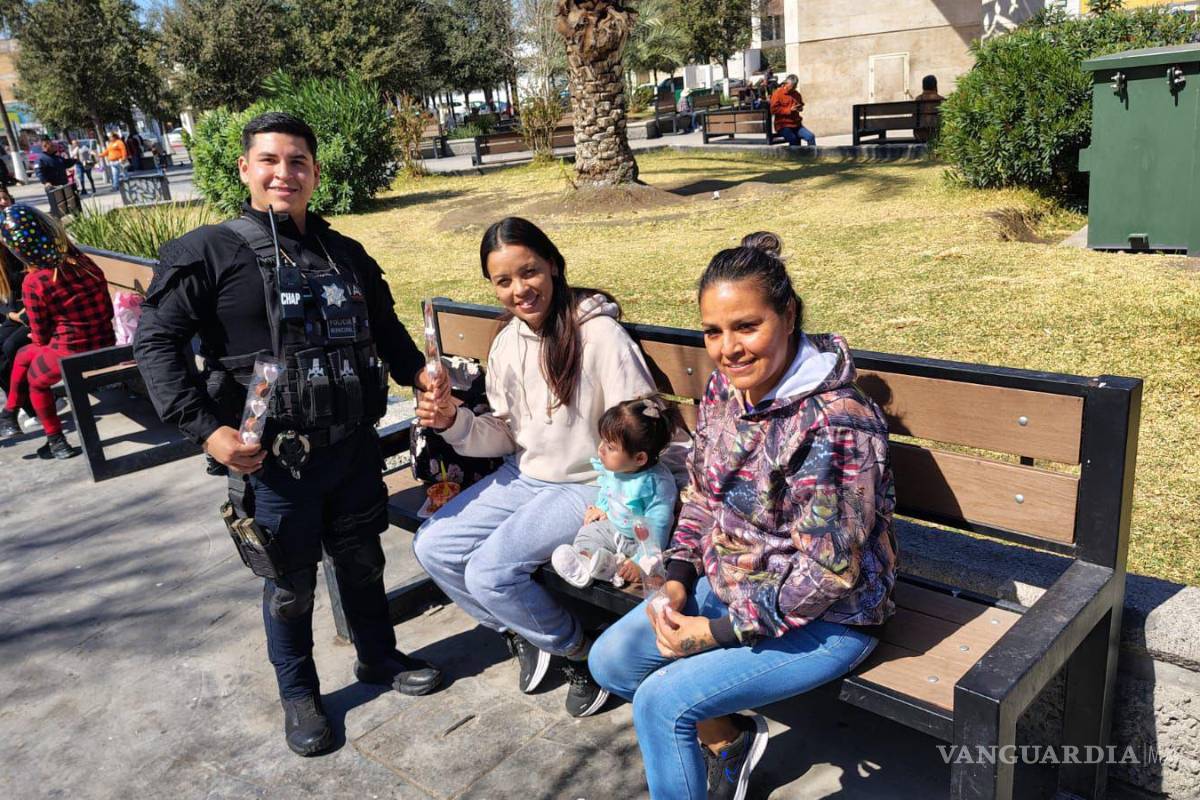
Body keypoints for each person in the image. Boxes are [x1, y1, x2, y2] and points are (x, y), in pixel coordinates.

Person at [133, 111, 447, 758]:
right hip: (275, 462)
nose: (285, 173)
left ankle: (379, 656)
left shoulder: (346, 253)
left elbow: (386, 331)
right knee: (288, 585)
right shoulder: (208, 253)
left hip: (352, 448)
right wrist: (207, 432)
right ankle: (299, 694)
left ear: (315, 172)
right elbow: (156, 344)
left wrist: (420, 374)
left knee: (363, 562)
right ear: (245, 169)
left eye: (298, 161)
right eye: (270, 161)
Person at [589, 232, 898, 800]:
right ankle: (729, 743)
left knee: (662, 703)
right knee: (611, 661)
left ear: (788, 315)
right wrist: (678, 579)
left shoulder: (836, 423)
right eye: (713, 331)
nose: (728, 348)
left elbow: (830, 573)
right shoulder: (725, 391)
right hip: (732, 584)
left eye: (747, 326)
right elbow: (704, 496)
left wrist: (717, 632)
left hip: (830, 619)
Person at [412, 216, 686, 719]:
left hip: (590, 484)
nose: (520, 290)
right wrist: (454, 421)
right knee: (433, 546)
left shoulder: (599, 336)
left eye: (529, 272)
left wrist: (648, 505)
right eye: (503, 281)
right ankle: (529, 632)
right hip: (524, 474)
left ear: (554, 266)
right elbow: (506, 433)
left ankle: (578, 653)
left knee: (489, 573)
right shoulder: (508, 341)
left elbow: (645, 428)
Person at [0, 204, 115, 457]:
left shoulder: (35, 281)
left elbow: (40, 338)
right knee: (22, 355)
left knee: (36, 382)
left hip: (70, 351)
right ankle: (8, 414)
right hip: (106, 340)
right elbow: (108, 311)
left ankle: (56, 440)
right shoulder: (84, 263)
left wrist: (38, 334)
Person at [550, 394, 680, 589]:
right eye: (603, 441)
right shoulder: (618, 466)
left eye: (610, 447)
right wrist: (602, 507)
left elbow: (657, 529)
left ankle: (612, 568)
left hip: (641, 542)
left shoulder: (656, 485)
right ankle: (586, 561)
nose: (601, 449)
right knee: (587, 534)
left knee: (645, 562)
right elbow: (608, 489)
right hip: (615, 527)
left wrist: (640, 562)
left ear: (639, 458)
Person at [0, 189, 35, 435]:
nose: (2, 202)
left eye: (4, 197)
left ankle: (32, 405)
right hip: (17, 314)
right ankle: (27, 405)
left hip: (40, 312)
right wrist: (10, 314)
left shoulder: (27, 236)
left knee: (12, 346)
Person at [770, 75, 816, 148]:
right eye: (792, 86)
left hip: (797, 125)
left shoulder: (796, 94)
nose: (794, 88)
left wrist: (800, 108)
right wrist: (789, 110)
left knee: (810, 137)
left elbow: (801, 105)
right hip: (783, 125)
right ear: (786, 84)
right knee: (794, 139)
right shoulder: (777, 94)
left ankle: (812, 154)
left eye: (795, 86)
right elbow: (773, 110)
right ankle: (795, 155)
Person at [914, 74, 946, 143]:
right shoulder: (941, 100)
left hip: (919, 135)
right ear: (935, 86)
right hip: (937, 136)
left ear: (923, 86)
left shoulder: (918, 99)